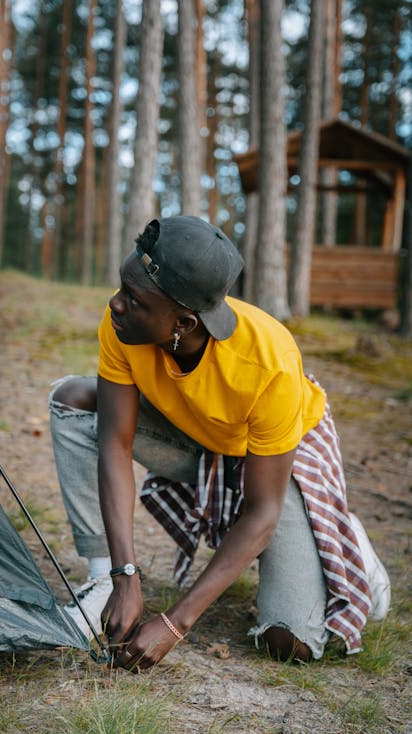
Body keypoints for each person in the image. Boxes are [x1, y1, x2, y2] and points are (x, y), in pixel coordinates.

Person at [49, 215, 390, 672]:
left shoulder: (269, 363)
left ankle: (342, 536)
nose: (115, 304)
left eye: (133, 298)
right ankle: (99, 586)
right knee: (74, 398)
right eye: (121, 287)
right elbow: (115, 443)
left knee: (289, 643)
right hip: (199, 436)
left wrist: (174, 622)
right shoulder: (124, 325)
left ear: (183, 323)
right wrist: (123, 576)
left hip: (277, 457)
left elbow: (262, 512)